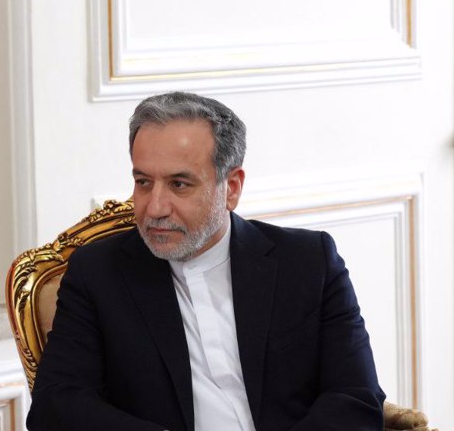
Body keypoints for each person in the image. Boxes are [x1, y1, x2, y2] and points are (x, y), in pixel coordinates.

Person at [27, 92, 384, 431]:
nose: (155, 208)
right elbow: (55, 406)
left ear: (231, 188)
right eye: (143, 182)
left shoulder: (308, 262)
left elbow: (356, 397)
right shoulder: (99, 273)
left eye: (179, 184)